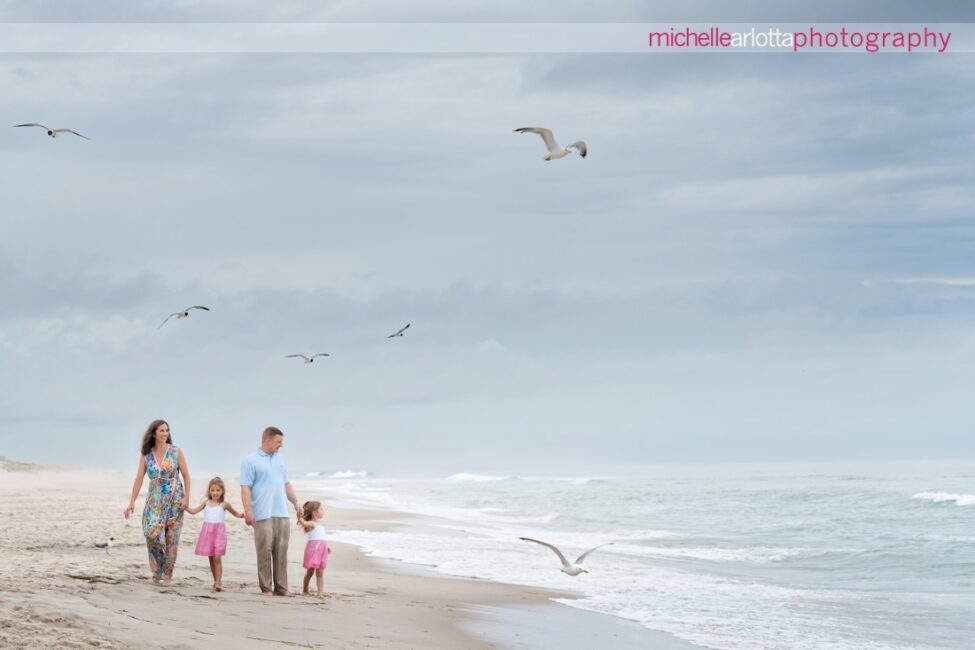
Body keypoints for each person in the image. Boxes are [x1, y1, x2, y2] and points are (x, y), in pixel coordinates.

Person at [123, 419, 191, 587]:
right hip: (154, 501)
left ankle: (167, 575)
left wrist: (186, 497)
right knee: (152, 534)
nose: (165, 433)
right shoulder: (147, 455)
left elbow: (186, 475)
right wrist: (131, 502)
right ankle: (157, 569)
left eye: (166, 430)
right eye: (161, 431)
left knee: (171, 539)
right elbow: (139, 478)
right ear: (154, 433)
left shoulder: (176, 452)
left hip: (175, 499)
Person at [240, 426, 301, 595]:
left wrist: (296, 502)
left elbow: (286, 484)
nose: (281, 445)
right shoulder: (250, 460)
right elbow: (245, 487)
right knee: (264, 551)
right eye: (278, 442)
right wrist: (248, 510)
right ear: (267, 440)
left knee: (281, 551)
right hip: (261, 513)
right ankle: (266, 588)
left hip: (282, 512)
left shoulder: (280, 459)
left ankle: (282, 588)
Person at [185, 476, 243, 592]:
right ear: (209, 491)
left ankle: (218, 582)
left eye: (217, 490)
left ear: (222, 491)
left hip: (219, 533)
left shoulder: (224, 504)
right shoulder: (206, 503)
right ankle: (215, 580)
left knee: (217, 557)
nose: (215, 493)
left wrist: (243, 515)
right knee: (211, 558)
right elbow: (193, 511)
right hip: (207, 533)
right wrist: (185, 507)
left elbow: (236, 513)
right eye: (212, 490)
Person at [298, 500, 331, 597]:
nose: (323, 511)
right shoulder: (312, 524)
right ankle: (305, 590)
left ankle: (320, 592)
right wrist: (299, 517)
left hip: (321, 550)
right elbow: (304, 523)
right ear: (315, 512)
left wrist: (326, 547)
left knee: (320, 571)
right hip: (314, 550)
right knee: (310, 572)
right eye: (321, 509)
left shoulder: (320, 526)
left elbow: (321, 538)